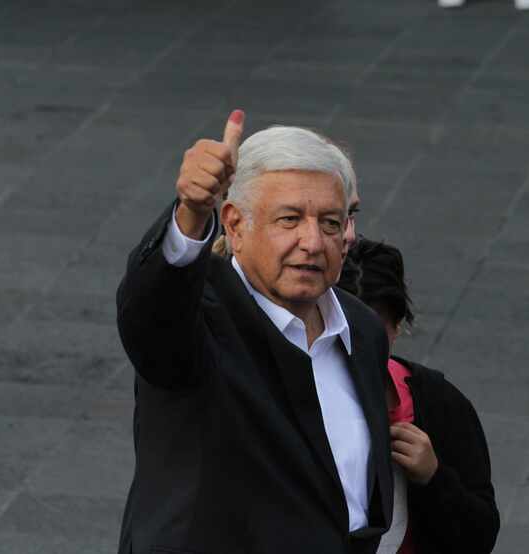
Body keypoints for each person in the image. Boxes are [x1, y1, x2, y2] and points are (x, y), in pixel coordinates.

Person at [116, 110, 394, 554]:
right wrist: (190, 214)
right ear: (234, 224)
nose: (312, 242)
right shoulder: (200, 322)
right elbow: (151, 316)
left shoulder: (360, 328)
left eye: (329, 222)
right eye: (289, 219)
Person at [338, 237, 500, 554]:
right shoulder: (293, 397)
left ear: (397, 328)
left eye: (374, 336)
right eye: (343, 334)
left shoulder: (440, 404)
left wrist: (434, 476)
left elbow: (479, 536)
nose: (356, 351)